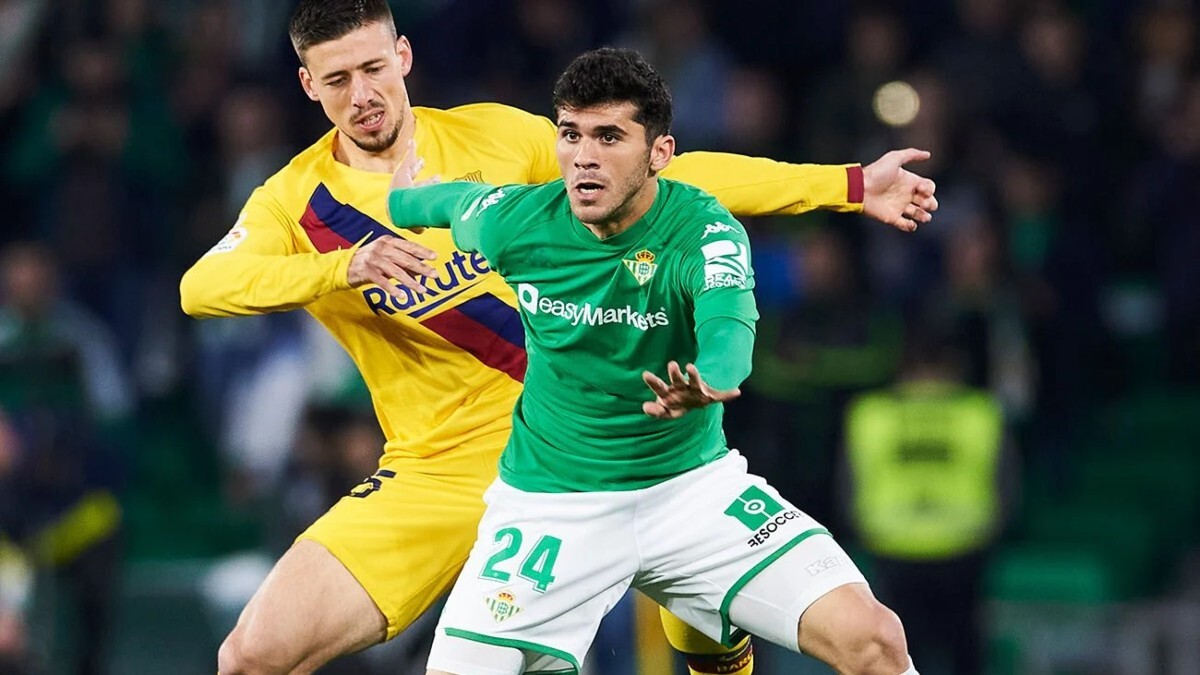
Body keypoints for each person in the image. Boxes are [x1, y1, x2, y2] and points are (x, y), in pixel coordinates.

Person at [179, 2, 937, 673]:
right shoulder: (296, 201)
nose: (363, 94)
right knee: (251, 656)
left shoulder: (499, 137)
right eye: (337, 79)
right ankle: (705, 629)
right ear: (308, 85)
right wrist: (343, 267)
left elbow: (659, 179)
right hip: (438, 471)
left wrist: (844, 184)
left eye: (374, 67)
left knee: (784, 605)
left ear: (404, 56)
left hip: (583, 439)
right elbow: (200, 288)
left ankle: (707, 633)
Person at [387, 47, 918, 675]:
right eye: (570, 134)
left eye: (610, 136)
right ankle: (703, 636)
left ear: (659, 153)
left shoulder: (703, 229)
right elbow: (437, 205)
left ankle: (712, 637)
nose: (584, 156)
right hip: (552, 503)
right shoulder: (518, 223)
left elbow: (728, 326)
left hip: (691, 492)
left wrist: (711, 380)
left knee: (876, 639)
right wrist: (403, 194)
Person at [842, 321, 1014, 675]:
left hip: (890, 550)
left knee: (896, 660)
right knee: (965, 656)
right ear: (956, 364)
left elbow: (846, 488)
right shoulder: (980, 412)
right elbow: (1008, 487)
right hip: (964, 550)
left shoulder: (869, 413)